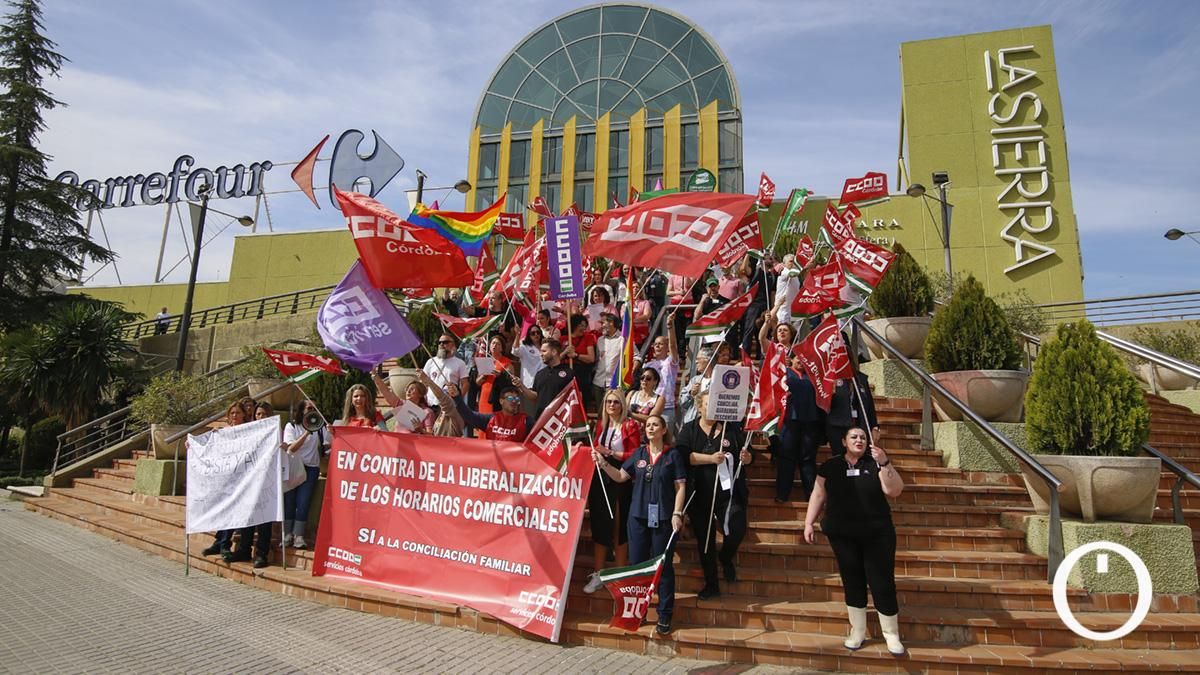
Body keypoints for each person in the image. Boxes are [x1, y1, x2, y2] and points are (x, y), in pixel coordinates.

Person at [803, 427, 906, 655]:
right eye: (854, 437)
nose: (859, 440)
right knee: (852, 580)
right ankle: (857, 631)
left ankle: (891, 634)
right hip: (843, 534)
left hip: (877, 534)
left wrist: (885, 462)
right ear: (843, 441)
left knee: (882, 582)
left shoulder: (875, 462)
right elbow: (818, 494)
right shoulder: (831, 466)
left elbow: (895, 490)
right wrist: (809, 522)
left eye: (862, 437)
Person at [591, 414, 686, 635]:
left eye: (655, 425)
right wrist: (603, 463)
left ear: (664, 430)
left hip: (664, 518)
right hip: (638, 517)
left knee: (663, 567)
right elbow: (620, 476)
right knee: (638, 566)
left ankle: (664, 614)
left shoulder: (673, 455)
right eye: (648, 425)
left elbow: (680, 487)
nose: (650, 428)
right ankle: (638, 612)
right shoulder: (638, 454)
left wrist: (677, 513)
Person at [677, 393, 751, 600]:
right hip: (699, 494)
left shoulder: (732, 428)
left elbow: (748, 454)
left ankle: (726, 557)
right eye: (708, 405)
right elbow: (683, 455)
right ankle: (711, 583)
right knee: (705, 539)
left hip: (728, 494)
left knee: (737, 527)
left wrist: (747, 457)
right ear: (700, 407)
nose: (712, 409)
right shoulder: (689, 428)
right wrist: (709, 459)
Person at [582, 390, 641, 592]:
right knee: (600, 523)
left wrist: (612, 453)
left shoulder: (630, 425)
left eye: (616, 402)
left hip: (621, 477)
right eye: (608, 401)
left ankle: (620, 574)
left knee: (619, 525)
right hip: (600, 478)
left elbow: (635, 453)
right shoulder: (601, 425)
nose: (612, 405)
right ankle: (599, 573)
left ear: (623, 405)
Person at [202, 403, 248, 558]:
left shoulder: (250, 433)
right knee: (224, 511)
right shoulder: (222, 433)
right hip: (225, 479)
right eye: (232, 413)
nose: (235, 415)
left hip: (242, 480)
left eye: (238, 412)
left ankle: (223, 544)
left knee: (232, 512)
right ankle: (220, 543)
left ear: (244, 415)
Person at [778, 352, 823, 502]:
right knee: (786, 458)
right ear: (791, 359)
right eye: (798, 358)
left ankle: (811, 496)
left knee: (808, 459)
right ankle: (782, 494)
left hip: (810, 421)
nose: (801, 362)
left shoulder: (814, 376)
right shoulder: (784, 373)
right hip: (789, 421)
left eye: (805, 359)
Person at [282, 399, 325, 550]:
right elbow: (291, 448)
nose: (312, 410)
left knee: (303, 502)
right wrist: (307, 431)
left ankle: (298, 535)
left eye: (314, 408)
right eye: (309, 408)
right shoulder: (292, 426)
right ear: (301, 410)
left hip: (311, 469)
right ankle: (287, 534)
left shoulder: (320, 427)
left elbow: (326, 444)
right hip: (294, 467)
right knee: (290, 500)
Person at [826, 370, 878, 457]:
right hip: (838, 426)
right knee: (840, 459)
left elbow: (869, 405)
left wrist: (875, 426)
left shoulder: (861, 378)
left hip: (859, 423)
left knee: (861, 456)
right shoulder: (831, 375)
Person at [641, 312, 679, 429]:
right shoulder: (648, 364)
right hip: (650, 406)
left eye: (661, 344)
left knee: (667, 441)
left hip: (667, 407)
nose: (657, 346)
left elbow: (673, 345)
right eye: (655, 344)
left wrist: (670, 326)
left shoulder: (670, 362)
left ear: (666, 346)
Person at [454, 386, 534, 442]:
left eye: (516, 399)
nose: (514, 401)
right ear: (501, 401)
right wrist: (456, 397)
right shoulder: (491, 419)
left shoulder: (526, 421)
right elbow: (469, 415)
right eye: (510, 398)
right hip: (494, 463)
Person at [512, 338, 572, 412]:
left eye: (544, 351)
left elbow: (575, 398)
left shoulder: (569, 373)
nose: (541, 354)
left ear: (554, 352)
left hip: (560, 419)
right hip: (542, 418)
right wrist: (521, 386)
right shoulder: (540, 374)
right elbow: (535, 396)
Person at [422, 334, 470, 411]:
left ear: (453, 344)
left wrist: (458, 399)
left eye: (445, 342)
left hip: (449, 405)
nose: (441, 344)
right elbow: (423, 382)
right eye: (439, 342)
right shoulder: (431, 361)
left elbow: (465, 384)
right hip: (430, 404)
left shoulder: (460, 363)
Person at [564, 314, 597, 410]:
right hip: (566, 372)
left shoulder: (588, 338)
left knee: (581, 401)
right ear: (574, 325)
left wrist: (576, 355)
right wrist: (565, 352)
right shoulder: (564, 339)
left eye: (585, 325)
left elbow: (591, 358)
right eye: (581, 325)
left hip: (581, 374)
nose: (583, 328)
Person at [477, 334, 515, 415]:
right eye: (493, 343)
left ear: (502, 348)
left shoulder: (507, 363)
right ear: (489, 346)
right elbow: (478, 382)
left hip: (498, 399)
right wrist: (483, 376)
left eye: (498, 344)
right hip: (484, 397)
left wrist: (500, 375)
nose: (495, 345)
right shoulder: (485, 361)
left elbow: (511, 383)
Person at [592, 313, 624, 405]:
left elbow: (636, 356)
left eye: (603, 323)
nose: (601, 326)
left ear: (611, 323)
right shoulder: (600, 340)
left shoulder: (623, 339)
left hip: (614, 384)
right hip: (598, 382)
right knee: (600, 414)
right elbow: (598, 359)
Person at [513, 327, 545, 417]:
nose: (536, 335)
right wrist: (517, 335)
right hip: (529, 385)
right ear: (529, 335)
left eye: (538, 332)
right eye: (533, 333)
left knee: (543, 414)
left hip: (544, 384)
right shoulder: (525, 347)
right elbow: (515, 351)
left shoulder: (545, 346)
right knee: (530, 413)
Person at [678, 346, 713, 426]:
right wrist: (691, 393)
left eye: (698, 359)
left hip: (709, 423)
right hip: (692, 422)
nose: (696, 362)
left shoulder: (717, 380)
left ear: (708, 360)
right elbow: (683, 403)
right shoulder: (695, 380)